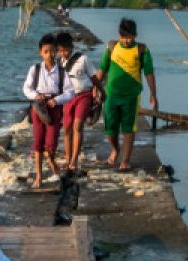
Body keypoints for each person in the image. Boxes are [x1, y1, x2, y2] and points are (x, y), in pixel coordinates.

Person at [95, 17, 158, 172]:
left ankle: (125, 160)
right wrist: (96, 87)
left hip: (131, 96)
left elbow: (149, 73)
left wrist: (153, 94)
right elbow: (102, 68)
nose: (126, 40)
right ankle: (115, 149)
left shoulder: (142, 50)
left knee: (128, 128)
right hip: (111, 95)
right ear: (119, 35)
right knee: (110, 129)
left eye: (129, 37)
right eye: (123, 37)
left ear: (135, 35)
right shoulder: (111, 47)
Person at [22, 33, 74, 189]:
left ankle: (50, 158)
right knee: (38, 142)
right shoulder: (35, 69)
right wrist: (35, 95)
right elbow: (26, 88)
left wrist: (56, 100)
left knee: (51, 142)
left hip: (55, 108)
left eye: (52, 51)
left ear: (57, 51)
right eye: (46, 51)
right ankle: (39, 175)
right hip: (38, 108)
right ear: (40, 53)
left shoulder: (62, 72)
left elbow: (70, 92)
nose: (49, 55)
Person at [56, 32, 101, 173]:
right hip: (68, 98)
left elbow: (94, 78)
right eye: (61, 50)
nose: (64, 53)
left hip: (84, 95)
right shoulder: (59, 62)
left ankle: (74, 160)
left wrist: (101, 91)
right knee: (67, 128)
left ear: (72, 46)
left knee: (77, 125)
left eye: (66, 50)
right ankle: (68, 158)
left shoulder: (83, 59)